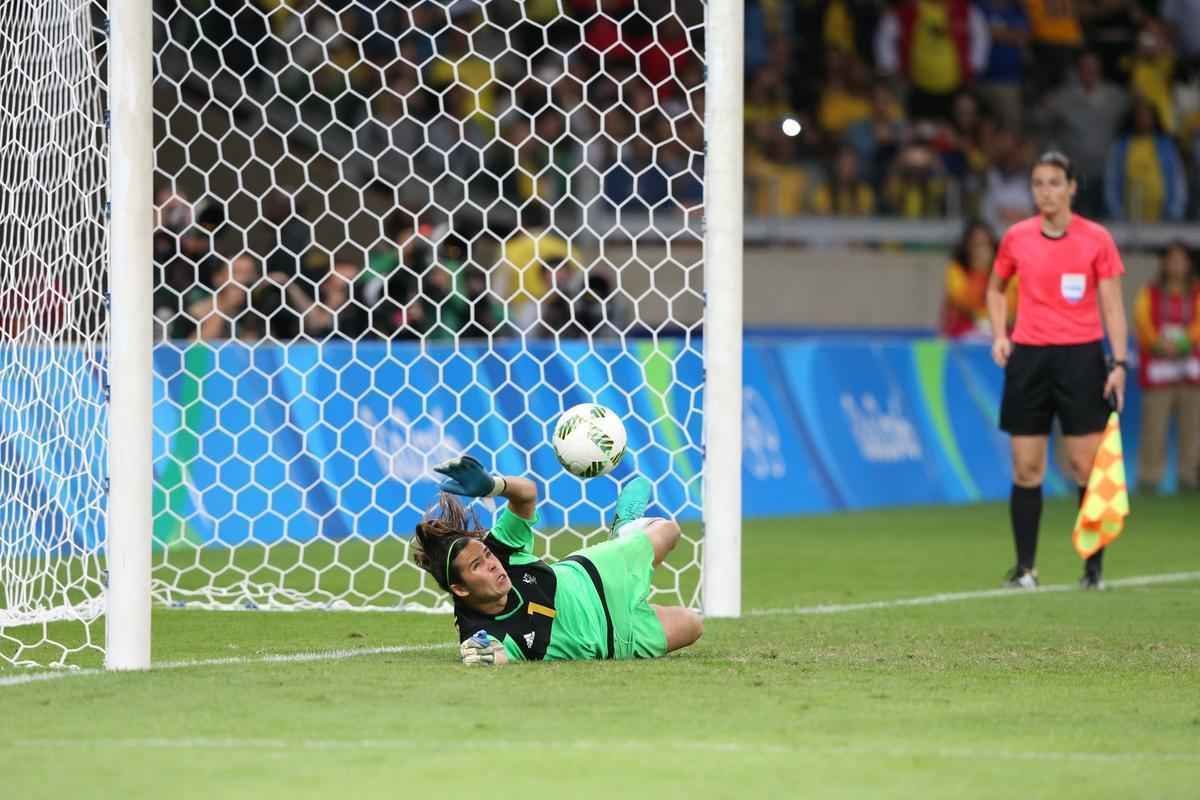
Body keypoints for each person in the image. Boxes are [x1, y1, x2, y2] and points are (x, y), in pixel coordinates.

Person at [986, 151, 1129, 591]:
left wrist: (1119, 362)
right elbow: (995, 288)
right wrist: (999, 333)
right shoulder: (1016, 238)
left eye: (1053, 182)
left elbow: (1112, 305)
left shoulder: (1096, 239)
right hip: (1029, 358)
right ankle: (1026, 569)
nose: (1045, 191)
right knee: (1026, 467)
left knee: (1083, 466)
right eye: (1037, 184)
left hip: (1081, 357)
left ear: (1071, 188)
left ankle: (1093, 569)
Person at [411, 456, 703, 665]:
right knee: (693, 624)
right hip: (616, 639)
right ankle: (634, 587)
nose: (491, 563)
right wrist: (480, 655)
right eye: (477, 566)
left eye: (485, 555)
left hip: (598, 573)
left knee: (669, 530)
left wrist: (492, 486)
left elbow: (526, 494)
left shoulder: (500, 550)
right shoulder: (479, 631)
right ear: (460, 589)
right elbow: (489, 655)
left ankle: (625, 529)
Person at [1133, 243, 1200, 492]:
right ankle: (1149, 479)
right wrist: (1158, 343)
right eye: (1171, 260)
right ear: (1164, 263)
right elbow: (1142, 321)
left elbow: (1198, 325)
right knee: (1154, 428)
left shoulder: (1196, 292)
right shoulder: (1149, 293)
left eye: (1181, 260)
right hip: (1158, 372)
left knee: (1193, 429)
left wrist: (1183, 342)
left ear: (1189, 264)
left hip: (1191, 372)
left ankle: (1190, 477)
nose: (1176, 265)